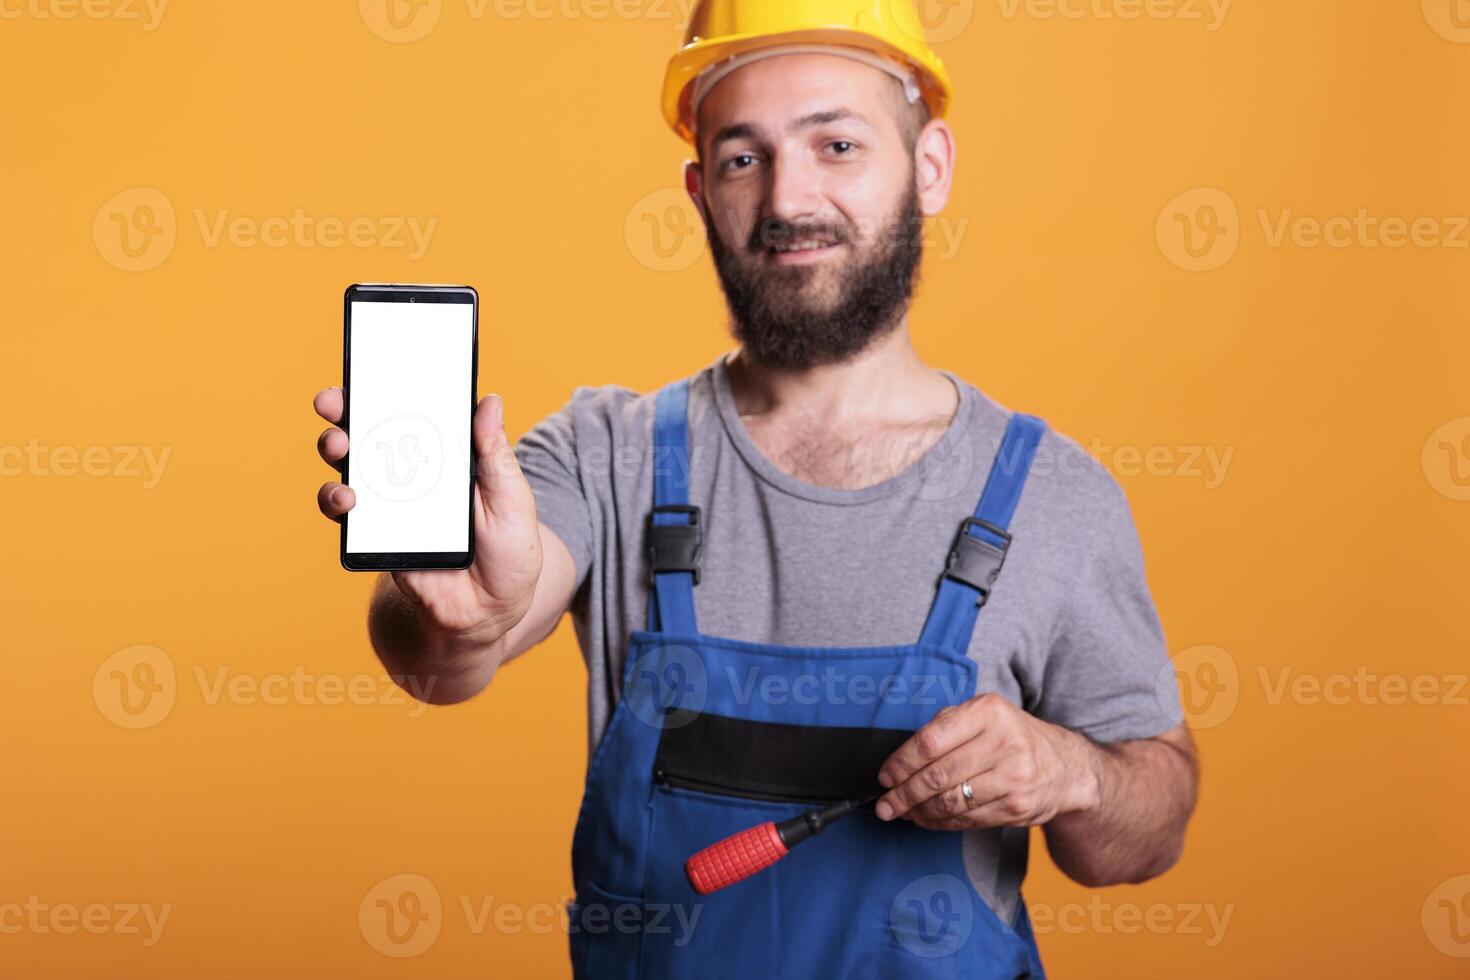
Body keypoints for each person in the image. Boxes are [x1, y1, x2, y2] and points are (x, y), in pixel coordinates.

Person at [312, 1, 1197, 975]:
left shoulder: (1054, 496)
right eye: (744, 157)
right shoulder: (605, 451)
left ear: (930, 167)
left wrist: (1071, 769)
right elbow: (436, 665)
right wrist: (462, 619)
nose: (789, 198)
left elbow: (1142, 837)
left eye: (838, 143)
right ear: (699, 193)